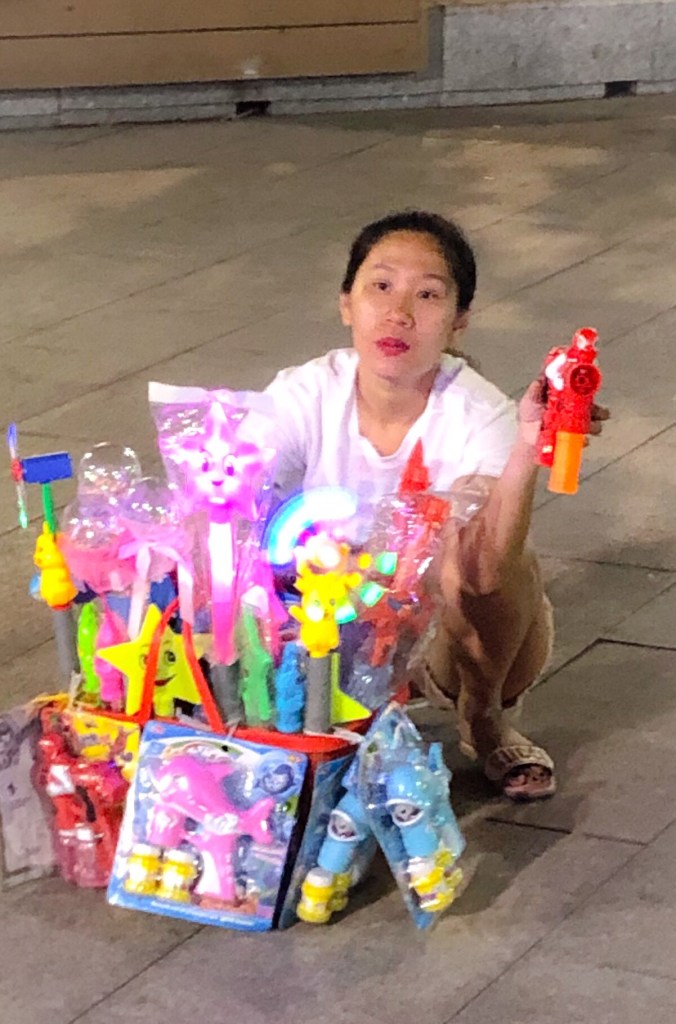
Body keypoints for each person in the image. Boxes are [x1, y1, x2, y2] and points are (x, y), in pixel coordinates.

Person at [264, 210, 608, 801]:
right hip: (322, 631)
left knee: (480, 561)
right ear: (346, 303)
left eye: (427, 295)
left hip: (443, 641)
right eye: (380, 286)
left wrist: (529, 447)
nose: (398, 312)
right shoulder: (305, 394)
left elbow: (487, 568)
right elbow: (227, 503)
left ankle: (484, 718)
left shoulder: (481, 413)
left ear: (458, 322)